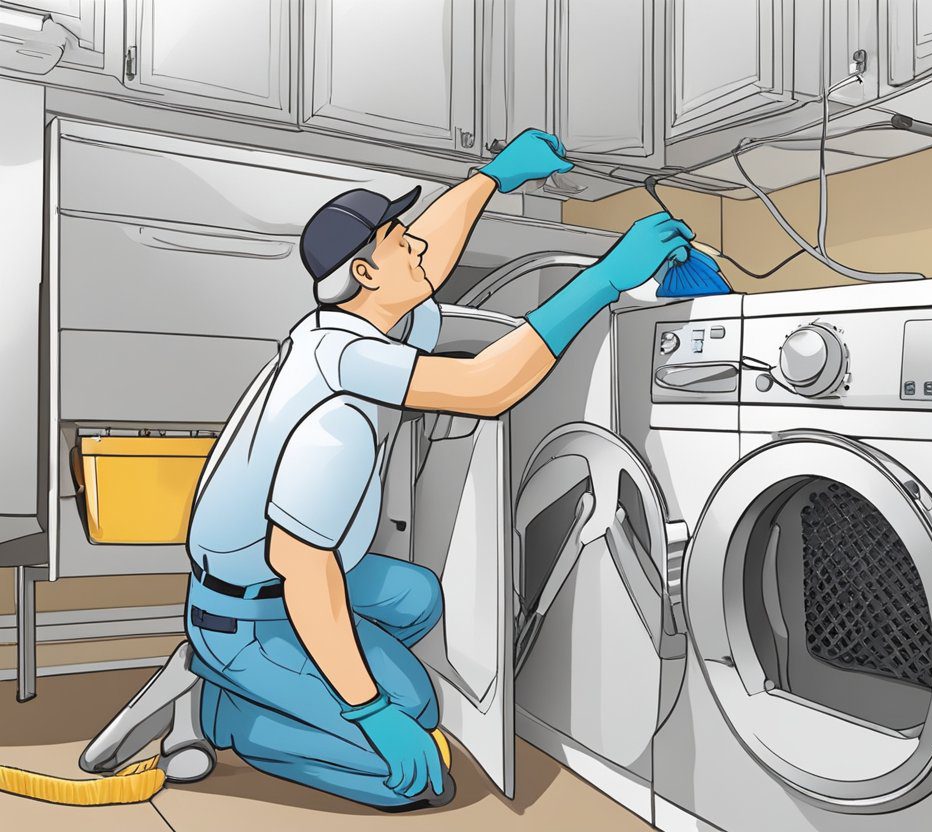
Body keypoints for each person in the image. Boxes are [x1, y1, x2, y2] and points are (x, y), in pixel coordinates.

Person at [78, 128, 694, 810]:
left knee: (418, 599)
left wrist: (493, 178)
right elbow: (483, 391)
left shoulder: (358, 327)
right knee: (412, 749)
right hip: (255, 606)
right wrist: (604, 280)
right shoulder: (334, 418)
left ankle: (234, 679)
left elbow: (428, 269)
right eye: (402, 241)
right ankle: (229, 711)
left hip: (271, 585)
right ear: (367, 274)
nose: (421, 248)